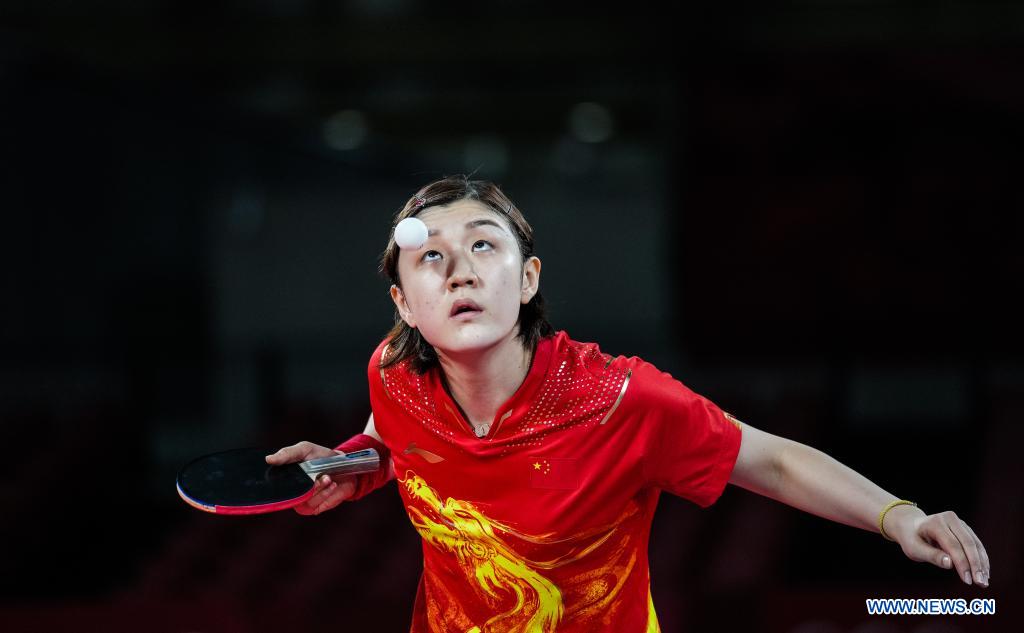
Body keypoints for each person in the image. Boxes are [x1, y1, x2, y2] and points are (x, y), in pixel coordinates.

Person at [266, 175, 990, 632]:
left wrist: (901, 517)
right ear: (404, 305)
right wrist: (353, 464)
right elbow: (391, 437)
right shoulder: (393, 373)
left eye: (484, 246)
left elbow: (770, 461)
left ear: (528, 280)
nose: (459, 270)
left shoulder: (620, 399)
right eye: (432, 256)